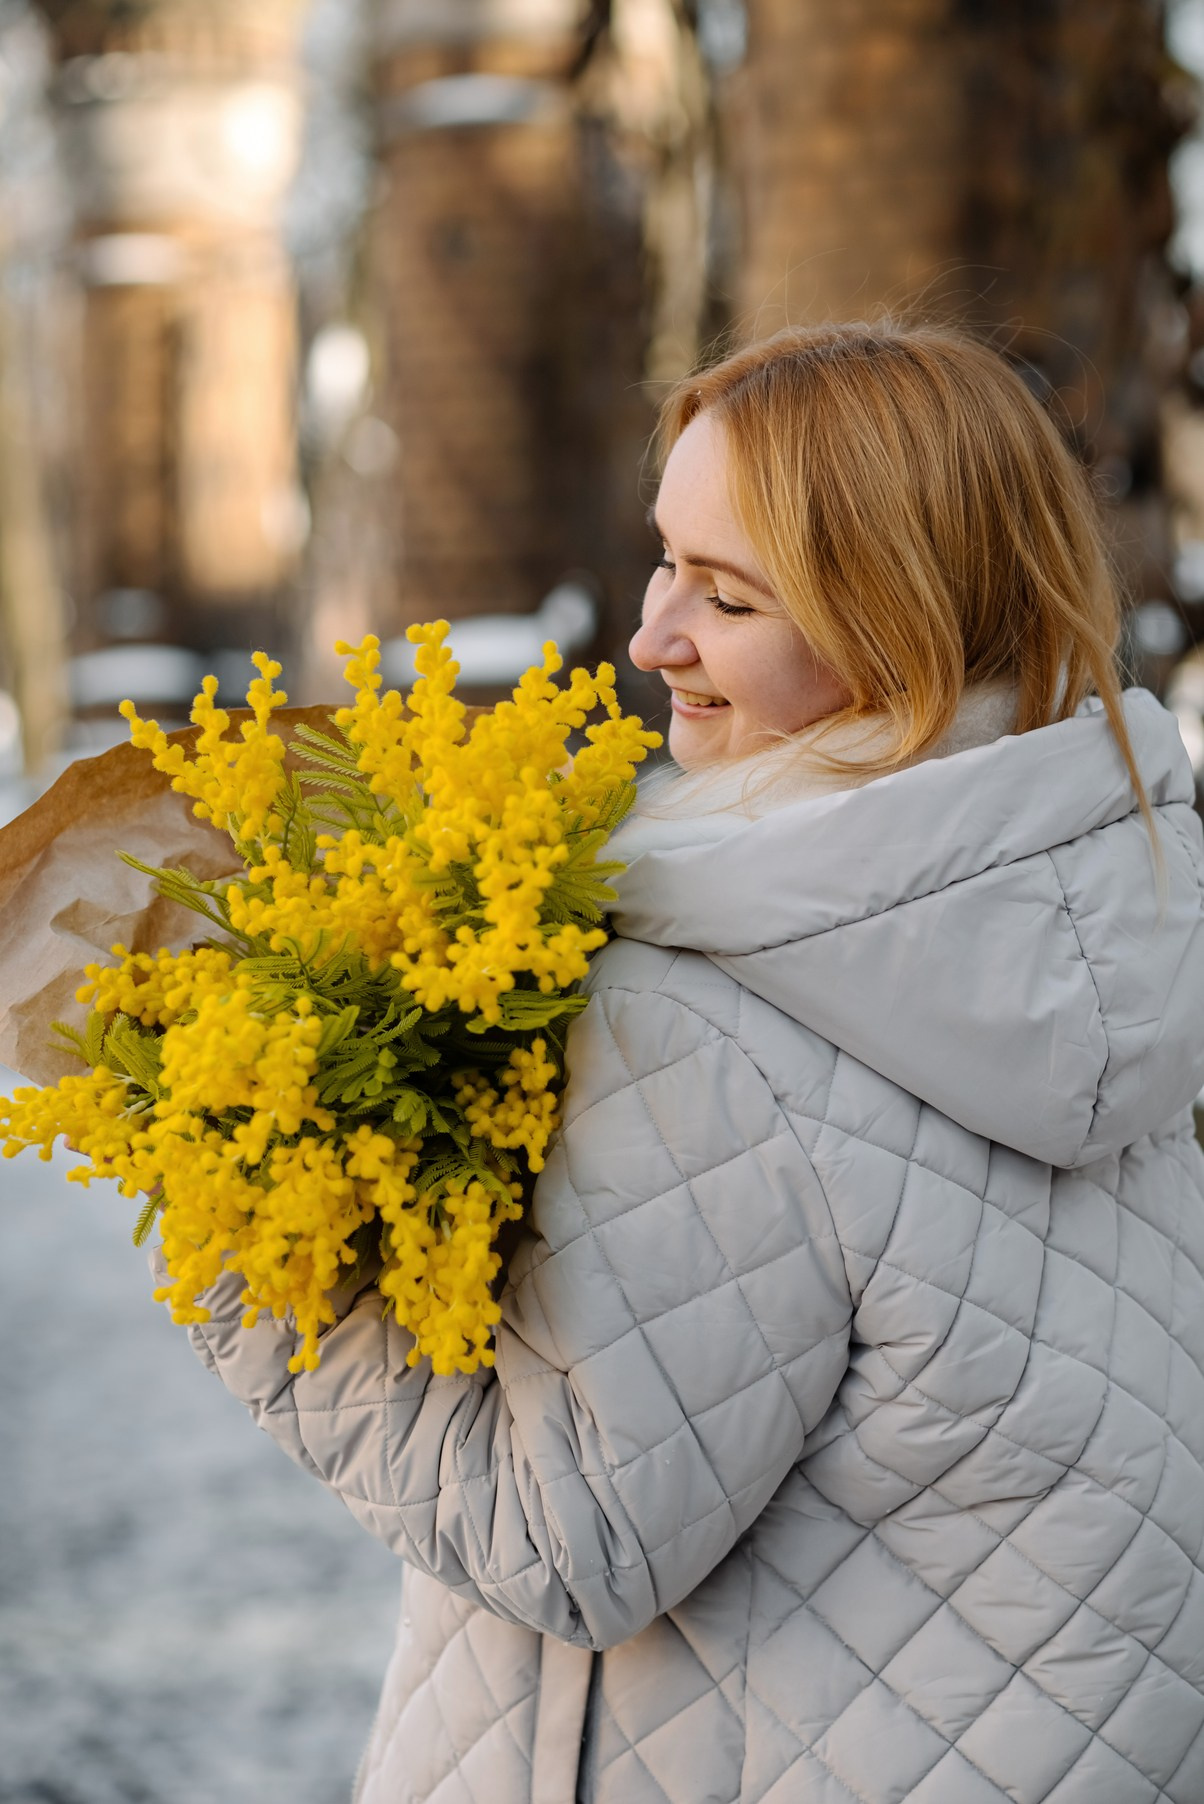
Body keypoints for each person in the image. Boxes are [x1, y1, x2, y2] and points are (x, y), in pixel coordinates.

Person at [163, 322, 1204, 1804]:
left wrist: (240, 1223)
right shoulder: (1104, 921)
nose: (654, 638)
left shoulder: (710, 1012)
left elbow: (565, 1545)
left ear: (898, 629)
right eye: (667, 562)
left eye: (728, 597)